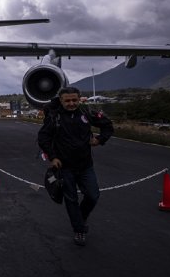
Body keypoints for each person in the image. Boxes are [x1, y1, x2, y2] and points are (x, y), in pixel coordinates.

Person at [37, 86, 114, 247]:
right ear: (61, 101)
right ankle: (79, 229)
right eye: (67, 100)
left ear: (79, 99)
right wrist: (53, 157)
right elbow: (43, 137)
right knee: (71, 199)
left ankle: (79, 218)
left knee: (93, 195)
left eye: (74, 100)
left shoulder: (86, 113)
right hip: (65, 167)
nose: (71, 103)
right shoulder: (54, 117)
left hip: (86, 165)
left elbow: (107, 125)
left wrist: (100, 139)